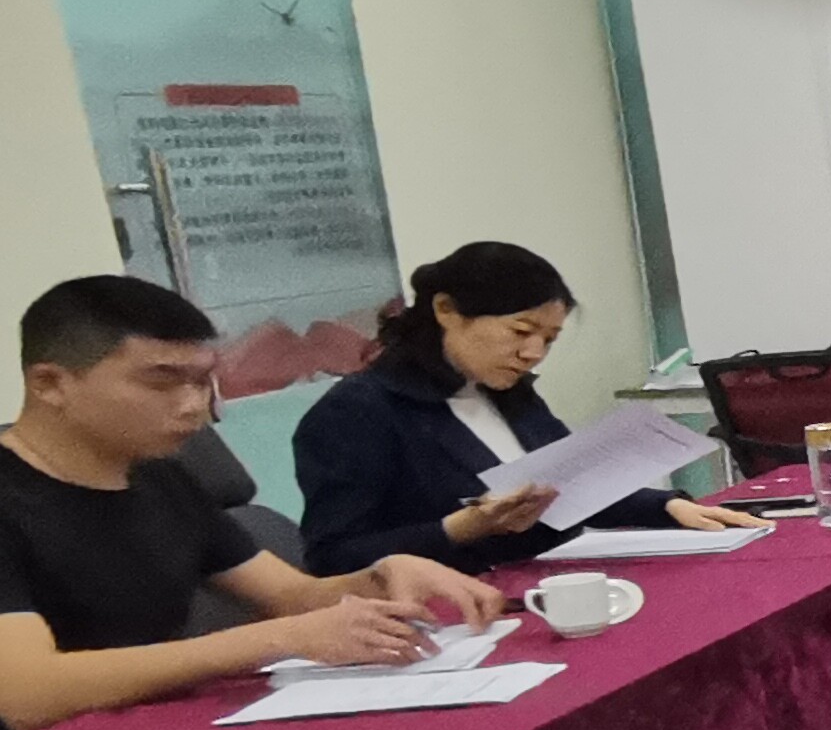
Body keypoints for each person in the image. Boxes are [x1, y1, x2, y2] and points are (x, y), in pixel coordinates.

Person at [0, 274, 515, 730]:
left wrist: (380, 575)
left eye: (202, 381)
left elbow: (291, 595)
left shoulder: (159, 476)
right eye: (161, 381)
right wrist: (277, 639)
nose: (194, 406)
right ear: (50, 383)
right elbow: (28, 696)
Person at [290, 241, 765, 573]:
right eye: (520, 332)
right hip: (454, 610)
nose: (533, 353)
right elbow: (333, 558)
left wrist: (668, 506)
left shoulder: (508, 390)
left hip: (555, 582)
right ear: (446, 310)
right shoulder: (359, 412)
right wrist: (460, 528)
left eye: (549, 340)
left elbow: (570, 488)